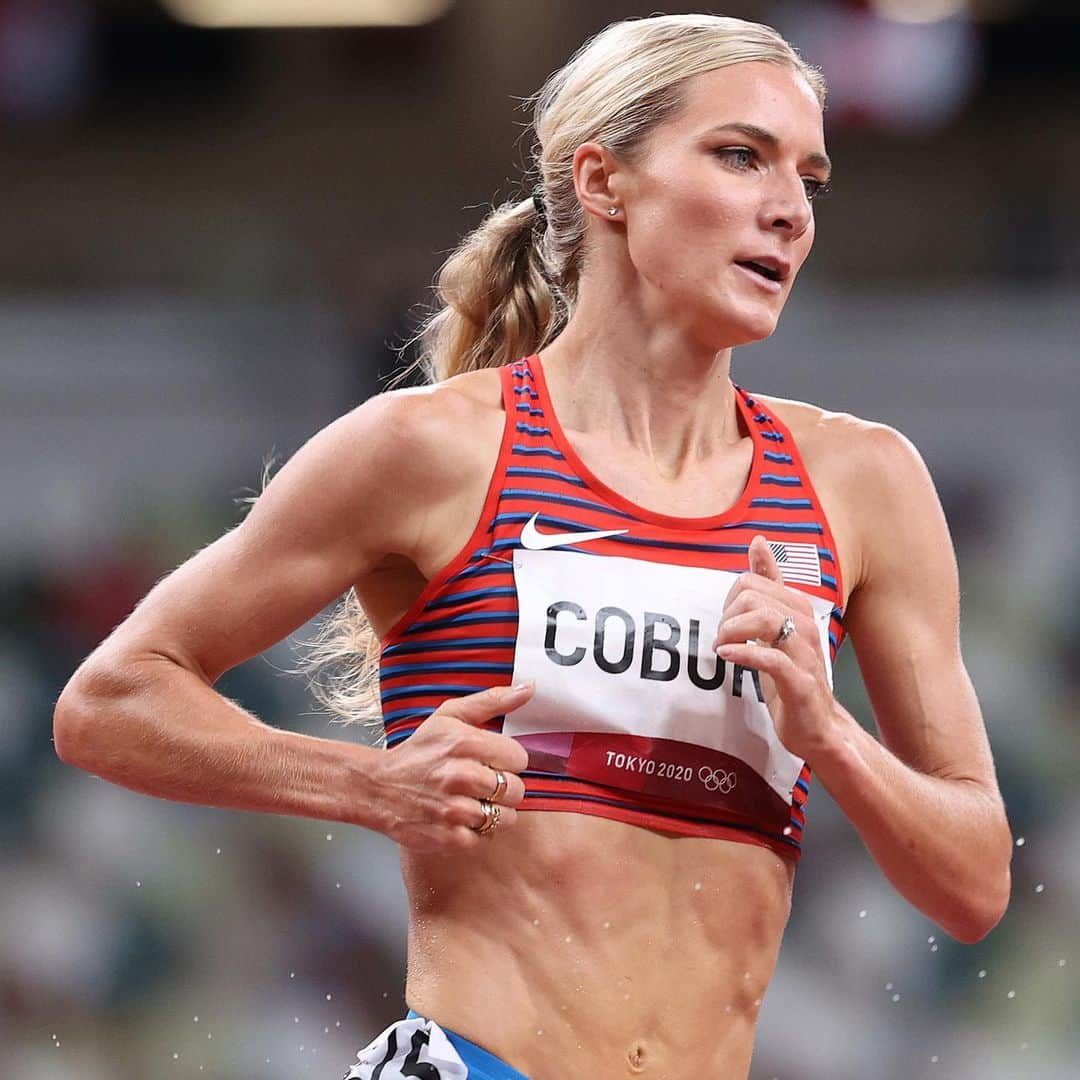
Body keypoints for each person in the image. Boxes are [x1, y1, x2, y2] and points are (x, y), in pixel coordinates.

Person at [52, 13, 1013, 1080]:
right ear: (605, 182)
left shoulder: (863, 484)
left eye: (811, 180)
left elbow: (972, 884)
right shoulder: (429, 451)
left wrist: (828, 732)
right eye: (741, 156)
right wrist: (364, 786)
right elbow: (111, 701)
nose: (788, 210)